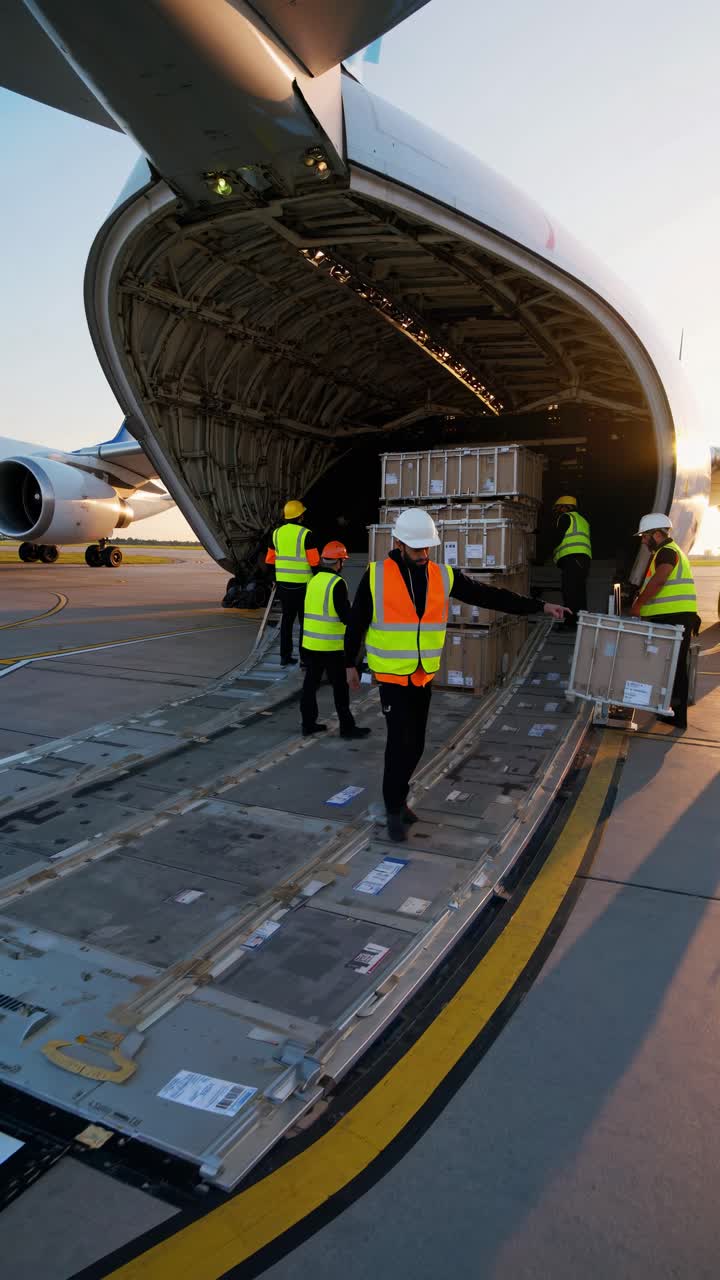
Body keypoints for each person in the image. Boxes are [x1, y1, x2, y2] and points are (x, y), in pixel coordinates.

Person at [345, 508, 570, 842]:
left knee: (417, 744)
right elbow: (357, 620)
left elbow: (489, 595)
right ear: (398, 543)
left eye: (426, 548)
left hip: (422, 674)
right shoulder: (376, 574)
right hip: (392, 676)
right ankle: (393, 808)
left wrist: (539, 606)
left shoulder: (442, 574)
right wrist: (350, 663)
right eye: (416, 548)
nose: (423, 555)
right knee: (399, 744)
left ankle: (400, 797)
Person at [630, 513, 699, 731]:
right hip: (675, 615)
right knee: (670, 665)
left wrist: (638, 604)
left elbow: (660, 579)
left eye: (645, 536)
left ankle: (678, 717)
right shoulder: (668, 550)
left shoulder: (667, 552)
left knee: (676, 666)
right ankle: (671, 710)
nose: (643, 540)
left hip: (675, 616)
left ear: (657, 534)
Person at [300, 541, 372, 740]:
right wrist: (361, 616)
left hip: (311, 644)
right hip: (331, 646)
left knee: (309, 686)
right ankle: (347, 728)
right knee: (340, 689)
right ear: (339, 562)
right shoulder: (337, 583)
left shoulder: (313, 580)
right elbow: (346, 618)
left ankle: (308, 724)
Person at [265, 499, 319, 665]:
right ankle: (304, 658)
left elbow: (269, 560)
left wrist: (273, 579)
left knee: (287, 622)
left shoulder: (276, 534)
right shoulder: (306, 534)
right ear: (300, 516)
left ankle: (284, 657)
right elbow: (315, 562)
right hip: (303, 586)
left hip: (283, 586)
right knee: (305, 623)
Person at [552, 495, 592, 625]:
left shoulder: (566, 517)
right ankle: (580, 623)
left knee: (570, 592)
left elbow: (557, 538)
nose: (558, 511)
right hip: (583, 560)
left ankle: (570, 623)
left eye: (559, 508)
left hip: (572, 558)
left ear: (565, 507)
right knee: (579, 592)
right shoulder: (583, 520)